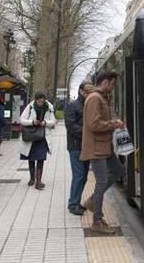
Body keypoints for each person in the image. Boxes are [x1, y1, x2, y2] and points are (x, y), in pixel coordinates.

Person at [80, 71, 125, 234]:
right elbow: (94, 125)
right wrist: (113, 124)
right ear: (105, 82)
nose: (113, 87)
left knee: (119, 170)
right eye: (112, 84)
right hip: (96, 148)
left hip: (104, 146)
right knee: (101, 181)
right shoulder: (94, 99)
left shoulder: (100, 97)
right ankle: (96, 221)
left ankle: (93, 201)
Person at [19, 92, 56, 190]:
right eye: (39, 101)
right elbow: (21, 120)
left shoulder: (49, 108)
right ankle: (32, 178)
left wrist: (45, 122)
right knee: (31, 157)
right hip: (31, 136)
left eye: (42, 101)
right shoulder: (30, 107)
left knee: (40, 158)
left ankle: (38, 181)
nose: (40, 103)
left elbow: (53, 122)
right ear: (35, 100)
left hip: (42, 136)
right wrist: (32, 122)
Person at [65, 81, 90, 215]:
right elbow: (70, 125)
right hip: (75, 146)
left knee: (84, 175)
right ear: (81, 91)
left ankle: (76, 202)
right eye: (87, 90)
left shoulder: (88, 104)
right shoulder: (72, 106)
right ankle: (73, 204)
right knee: (79, 174)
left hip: (86, 146)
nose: (89, 93)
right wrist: (87, 133)